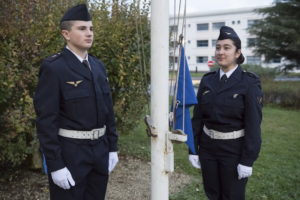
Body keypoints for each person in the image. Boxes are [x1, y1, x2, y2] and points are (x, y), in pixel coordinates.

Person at [34, 4, 119, 200]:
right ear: (66, 34)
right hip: (71, 152)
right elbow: (46, 120)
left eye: (91, 28)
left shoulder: (98, 67)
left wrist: (112, 147)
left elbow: (108, 111)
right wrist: (56, 165)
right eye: (82, 29)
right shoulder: (54, 68)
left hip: (100, 149)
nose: (89, 33)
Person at [188, 26, 263, 200]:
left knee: (232, 196)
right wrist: (194, 149)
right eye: (218, 47)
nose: (221, 52)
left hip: (234, 150)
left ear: (237, 53)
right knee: (212, 194)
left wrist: (247, 160)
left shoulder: (249, 83)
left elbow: (253, 124)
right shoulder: (208, 81)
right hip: (208, 149)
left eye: (227, 48)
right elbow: (198, 118)